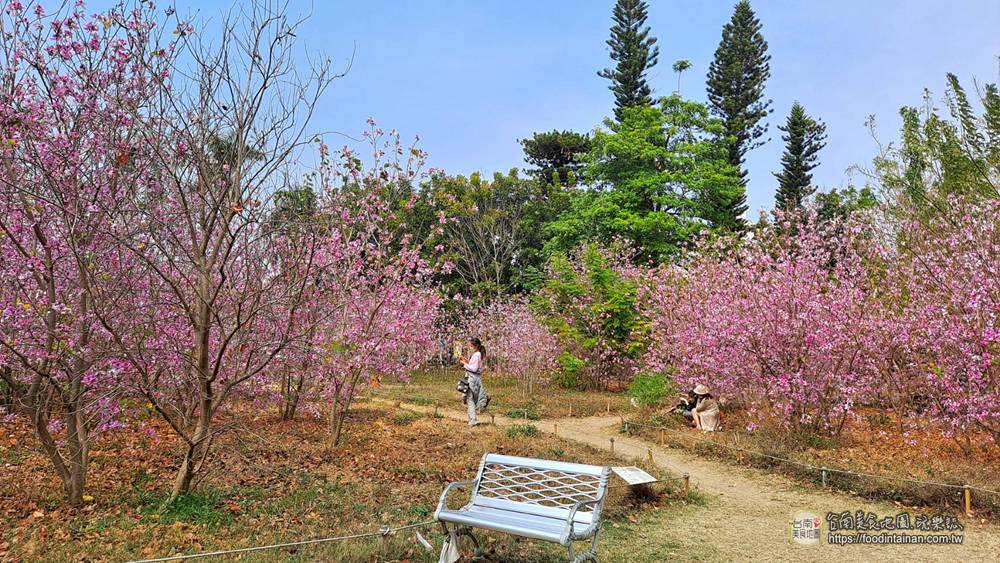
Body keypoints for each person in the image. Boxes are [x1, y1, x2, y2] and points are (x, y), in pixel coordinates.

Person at [457, 337, 489, 426]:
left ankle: (473, 421)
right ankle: (473, 418)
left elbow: (474, 369)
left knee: (470, 399)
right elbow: (474, 365)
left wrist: (464, 364)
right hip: (476, 378)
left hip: (472, 378)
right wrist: (466, 361)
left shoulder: (476, 355)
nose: (470, 347)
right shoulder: (478, 354)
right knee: (472, 399)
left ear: (476, 346)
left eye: (471, 346)